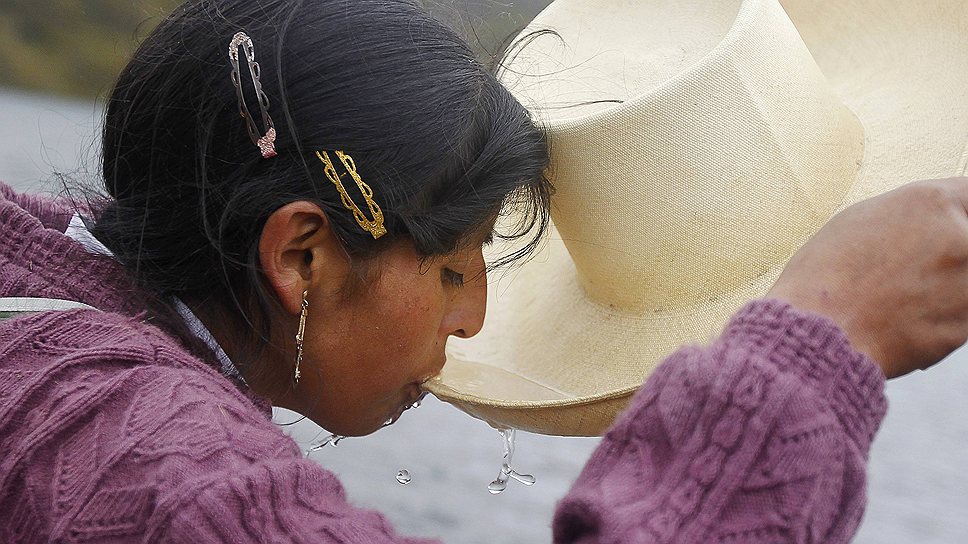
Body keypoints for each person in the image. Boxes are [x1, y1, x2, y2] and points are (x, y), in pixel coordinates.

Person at [1, 1, 968, 543]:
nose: (473, 321)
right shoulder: (160, 471)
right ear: (301, 256)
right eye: (457, 273)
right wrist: (814, 348)